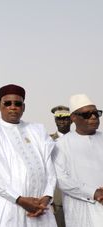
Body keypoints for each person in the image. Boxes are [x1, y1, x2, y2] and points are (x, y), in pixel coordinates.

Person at [0, 84, 57, 227]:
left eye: (18, 103)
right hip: (9, 207)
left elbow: (50, 167)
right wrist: (20, 199)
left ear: (23, 107)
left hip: (41, 209)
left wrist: (47, 197)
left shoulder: (37, 130)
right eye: (7, 103)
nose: (13, 107)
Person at [52, 94, 103, 226]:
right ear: (73, 118)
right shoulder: (60, 145)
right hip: (81, 212)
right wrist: (93, 192)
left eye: (96, 113)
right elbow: (61, 179)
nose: (93, 117)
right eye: (87, 114)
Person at [49, 105, 71, 227]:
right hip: (57, 195)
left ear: (71, 119)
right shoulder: (47, 140)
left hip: (79, 194)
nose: (62, 121)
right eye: (59, 118)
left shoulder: (79, 139)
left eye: (66, 118)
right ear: (55, 120)